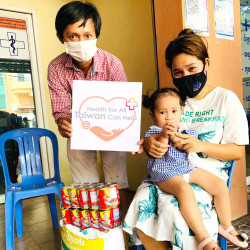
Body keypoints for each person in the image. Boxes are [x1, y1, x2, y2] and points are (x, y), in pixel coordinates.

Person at [123, 28, 249, 250]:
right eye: (178, 73)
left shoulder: (225, 99)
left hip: (205, 175)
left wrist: (199, 145)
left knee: (174, 209)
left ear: (206, 64)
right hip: (167, 171)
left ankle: (208, 240)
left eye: (192, 68)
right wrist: (150, 144)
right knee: (141, 201)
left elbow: (238, 151)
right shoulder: (172, 100)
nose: (186, 77)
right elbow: (154, 132)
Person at [142, 88, 248, 249]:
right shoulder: (154, 132)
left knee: (219, 185)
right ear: (153, 115)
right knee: (184, 190)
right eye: (162, 112)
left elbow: (190, 148)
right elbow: (160, 149)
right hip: (164, 174)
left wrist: (182, 140)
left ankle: (225, 226)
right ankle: (204, 238)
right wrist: (164, 135)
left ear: (181, 112)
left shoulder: (186, 131)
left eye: (174, 111)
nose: (169, 116)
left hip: (186, 169)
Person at [48, 1, 128, 212]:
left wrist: (124, 129)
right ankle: (90, 217)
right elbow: (62, 109)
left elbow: (124, 103)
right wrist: (63, 123)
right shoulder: (56, 68)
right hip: (80, 126)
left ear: (96, 35)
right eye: (73, 36)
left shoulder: (113, 64)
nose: (81, 41)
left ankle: (114, 216)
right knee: (80, 166)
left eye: (87, 35)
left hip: (112, 127)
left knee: (115, 174)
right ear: (61, 37)